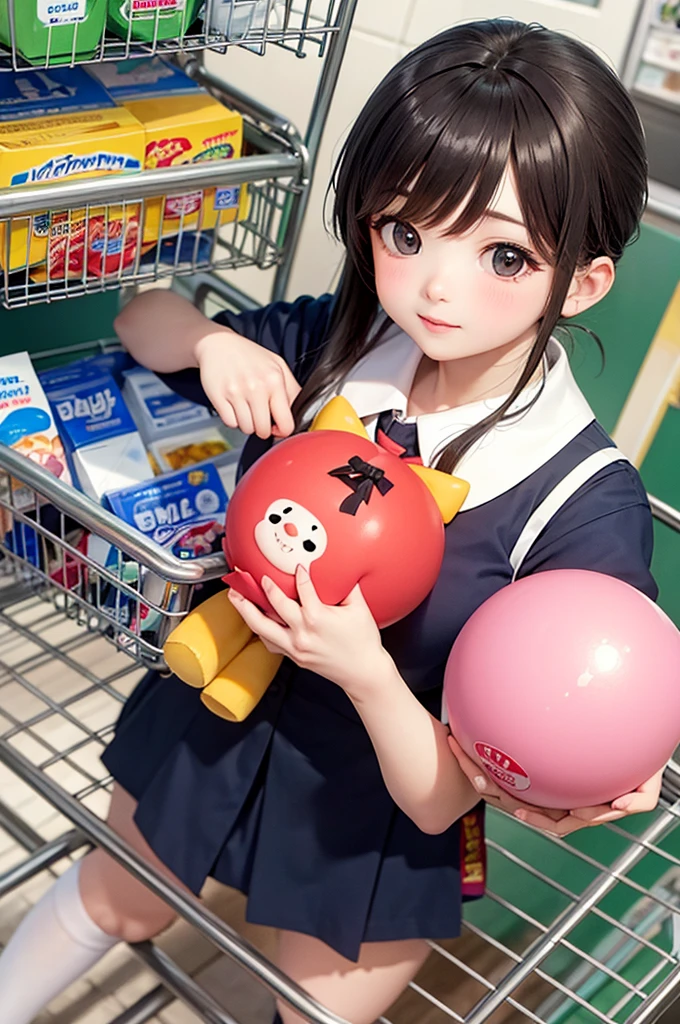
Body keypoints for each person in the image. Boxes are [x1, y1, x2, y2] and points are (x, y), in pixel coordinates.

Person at [0, 18, 665, 1024]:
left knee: (306, 1012)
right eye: (405, 233)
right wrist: (210, 341)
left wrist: (365, 668)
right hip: (219, 710)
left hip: (377, 802)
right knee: (111, 897)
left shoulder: (577, 499)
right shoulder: (346, 338)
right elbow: (142, 317)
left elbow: (470, 781)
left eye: (501, 255)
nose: (435, 285)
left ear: (581, 279)